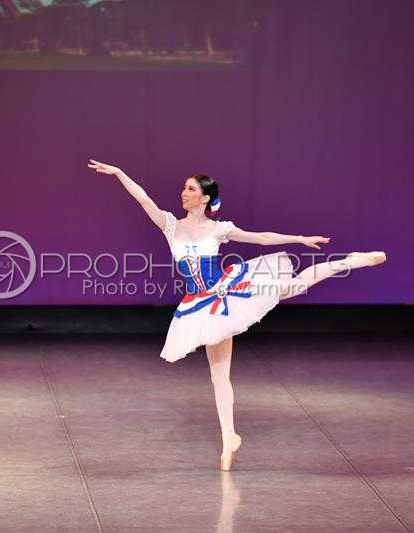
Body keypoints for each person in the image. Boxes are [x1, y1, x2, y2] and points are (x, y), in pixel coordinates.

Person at [87, 159, 386, 470]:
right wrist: (120, 173)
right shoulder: (170, 225)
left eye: (190, 189)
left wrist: (299, 239)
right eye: (184, 188)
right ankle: (229, 437)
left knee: (294, 286)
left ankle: (351, 261)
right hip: (200, 306)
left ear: (204, 198)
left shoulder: (219, 229)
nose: (184, 193)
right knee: (219, 375)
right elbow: (143, 198)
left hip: (229, 292)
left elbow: (261, 237)